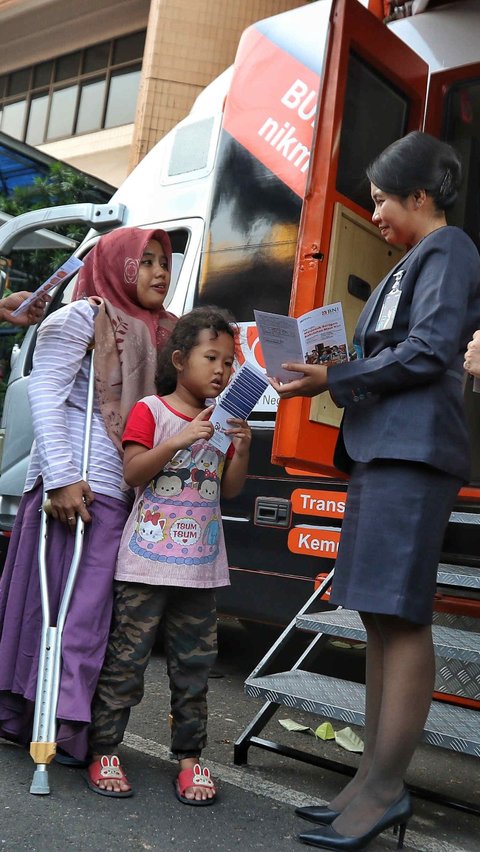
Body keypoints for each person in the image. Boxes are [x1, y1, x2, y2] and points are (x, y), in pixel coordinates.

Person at [269, 131, 480, 850]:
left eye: (386, 199)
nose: (378, 214)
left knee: (403, 615)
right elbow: (395, 352)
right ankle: (368, 779)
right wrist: (326, 362)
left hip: (413, 454)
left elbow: (430, 349)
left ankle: (388, 788)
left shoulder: (451, 251)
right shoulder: (410, 261)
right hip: (383, 449)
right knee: (378, 617)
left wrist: (334, 377)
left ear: (421, 197)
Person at [0, 226, 177, 763]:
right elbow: (48, 399)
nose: (159, 272)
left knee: (88, 617)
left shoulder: (163, 331)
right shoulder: (79, 317)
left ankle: (61, 721)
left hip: (119, 492)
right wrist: (58, 477)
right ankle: (33, 716)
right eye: (144, 262)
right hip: (71, 488)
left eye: (163, 263)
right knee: (53, 612)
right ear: (115, 264)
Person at [86, 307, 251, 804]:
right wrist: (179, 439)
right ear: (180, 360)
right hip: (144, 565)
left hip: (200, 570)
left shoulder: (224, 422)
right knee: (126, 661)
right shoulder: (152, 412)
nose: (221, 371)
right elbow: (133, 472)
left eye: (229, 362)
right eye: (211, 358)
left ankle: (190, 760)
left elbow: (230, 491)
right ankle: (104, 749)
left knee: (195, 668)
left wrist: (241, 449)